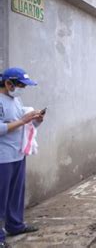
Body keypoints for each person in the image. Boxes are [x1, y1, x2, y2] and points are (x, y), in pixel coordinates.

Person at [0, 68, 44, 247]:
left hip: (17, 154)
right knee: (1, 196)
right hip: (2, 158)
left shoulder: (15, 99)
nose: (22, 89)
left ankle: (15, 225)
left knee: (16, 194)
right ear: (8, 84)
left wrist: (36, 120)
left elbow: (21, 124)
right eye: (20, 85)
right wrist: (23, 121)